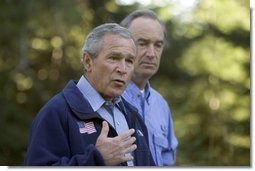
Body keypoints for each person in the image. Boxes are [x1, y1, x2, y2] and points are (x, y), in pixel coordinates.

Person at [24, 23, 155, 166]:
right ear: (87, 62)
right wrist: (96, 160)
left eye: (129, 61)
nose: (123, 69)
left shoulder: (133, 116)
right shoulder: (56, 112)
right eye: (114, 58)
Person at [120, 9, 178, 166]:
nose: (152, 53)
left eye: (158, 45)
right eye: (142, 43)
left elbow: (168, 159)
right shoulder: (106, 99)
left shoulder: (161, 105)